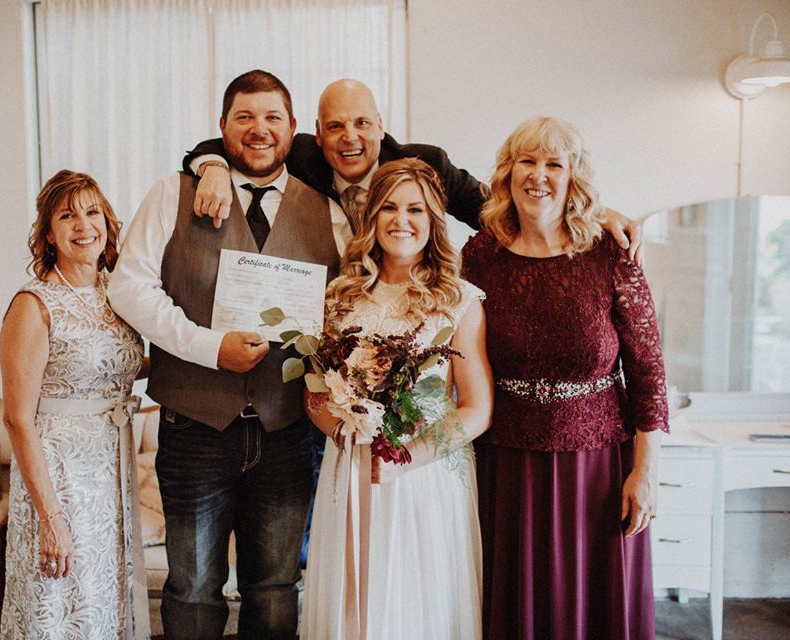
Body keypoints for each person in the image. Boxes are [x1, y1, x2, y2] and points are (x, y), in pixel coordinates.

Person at [107, 70, 351, 640]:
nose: (258, 129)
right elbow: (128, 287)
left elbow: (347, 310)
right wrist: (209, 347)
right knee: (192, 589)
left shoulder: (330, 213)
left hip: (289, 433)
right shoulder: (172, 193)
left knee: (277, 588)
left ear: (294, 129)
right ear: (222, 127)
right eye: (244, 117)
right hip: (194, 429)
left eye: (272, 118)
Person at [460, 116, 669, 640]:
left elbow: (648, 372)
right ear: (508, 172)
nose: (539, 175)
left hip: (598, 469)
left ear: (573, 176)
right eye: (527, 161)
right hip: (505, 465)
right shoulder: (479, 256)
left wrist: (645, 472)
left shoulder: (611, 253)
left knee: (592, 605)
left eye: (554, 164)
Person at [302, 158, 494, 639]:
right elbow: (314, 395)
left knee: (416, 602)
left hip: (425, 475)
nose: (400, 220)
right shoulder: (339, 297)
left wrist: (405, 459)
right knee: (354, 600)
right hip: (350, 468)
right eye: (388, 207)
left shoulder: (459, 301)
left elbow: (477, 410)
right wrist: (350, 433)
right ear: (372, 217)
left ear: (433, 220)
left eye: (415, 209)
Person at [183, 78, 641, 261]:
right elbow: (231, 143)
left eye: (363, 124)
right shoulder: (301, 156)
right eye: (336, 127)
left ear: (381, 126)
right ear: (317, 134)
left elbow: (499, 208)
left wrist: (592, 212)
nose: (350, 138)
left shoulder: (427, 164)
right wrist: (214, 169)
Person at [0, 170, 151, 640]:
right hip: (59, 475)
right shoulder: (34, 304)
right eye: (67, 216)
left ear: (106, 221)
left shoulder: (117, 291)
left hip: (111, 469)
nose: (83, 225)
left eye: (91, 212)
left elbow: (116, 366)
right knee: (59, 599)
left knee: (104, 597)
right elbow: (17, 418)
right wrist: (51, 517)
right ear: (49, 233)